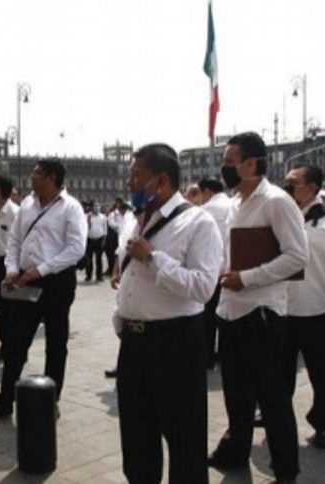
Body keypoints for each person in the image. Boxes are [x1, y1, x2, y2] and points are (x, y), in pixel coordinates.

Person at [112, 143, 222, 484]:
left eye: (136, 175)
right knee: (137, 435)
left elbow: (204, 288)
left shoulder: (197, 222)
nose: (130, 182)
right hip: (133, 343)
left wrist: (153, 258)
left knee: (184, 438)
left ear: (160, 180)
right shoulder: (134, 221)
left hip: (174, 343)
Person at [210, 132, 307, 484]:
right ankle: (237, 451)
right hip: (230, 311)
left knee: (272, 397)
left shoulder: (277, 202)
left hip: (261, 314)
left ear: (251, 163)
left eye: (229, 160)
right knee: (236, 393)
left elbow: (297, 256)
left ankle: (286, 469)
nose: (225, 167)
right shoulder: (234, 203)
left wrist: (248, 277)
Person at [0, 159, 87, 420]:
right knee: (16, 341)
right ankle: (4, 400)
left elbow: (75, 249)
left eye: (37, 173)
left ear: (51, 178)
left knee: (56, 342)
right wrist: (12, 269)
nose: (31, 176)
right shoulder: (27, 204)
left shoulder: (71, 208)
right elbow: (14, 240)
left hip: (57, 281)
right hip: (25, 280)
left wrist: (41, 270)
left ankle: (51, 398)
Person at [283, 165, 325, 449]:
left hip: (318, 309)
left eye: (294, 183)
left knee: (322, 373)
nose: (288, 188)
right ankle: (277, 418)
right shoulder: (282, 216)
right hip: (283, 308)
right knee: (279, 373)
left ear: (312, 187)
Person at [198, 177, 230, 369]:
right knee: (225, 315)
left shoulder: (205, 210)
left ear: (207, 191)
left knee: (208, 316)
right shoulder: (233, 205)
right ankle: (223, 354)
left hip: (212, 270)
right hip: (231, 270)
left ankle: (207, 356)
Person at [0, 175, 19, 361]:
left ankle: (15, 348)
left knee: (11, 309)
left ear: (0, 190)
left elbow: (19, 242)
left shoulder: (15, 212)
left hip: (11, 264)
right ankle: (4, 345)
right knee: (0, 306)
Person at [85, 202, 108, 282]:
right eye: (94, 206)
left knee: (99, 259)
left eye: (97, 206)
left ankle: (99, 276)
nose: (96, 207)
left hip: (99, 239)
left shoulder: (103, 217)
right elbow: (85, 228)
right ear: (91, 207)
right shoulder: (87, 216)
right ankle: (88, 276)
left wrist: (104, 240)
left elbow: (105, 229)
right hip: (89, 239)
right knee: (89, 259)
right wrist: (88, 221)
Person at [104, 198, 126, 277]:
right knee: (111, 254)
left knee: (120, 253)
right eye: (118, 203)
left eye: (120, 203)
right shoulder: (113, 214)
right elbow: (111, 223)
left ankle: (119, 269)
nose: (119, 205)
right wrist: (119, 227)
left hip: (122, 235)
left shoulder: (125, 214)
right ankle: (111, 270)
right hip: (113, 236)